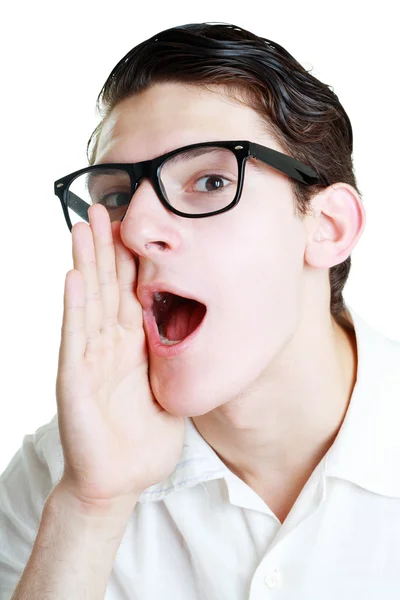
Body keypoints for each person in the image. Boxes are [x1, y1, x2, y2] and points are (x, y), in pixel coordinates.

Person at [1, 21, 399, 600]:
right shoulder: (59, 478)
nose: (134, 229)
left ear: (329, 228)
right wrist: (92, 507)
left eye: (210, 181)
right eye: (113, 198)